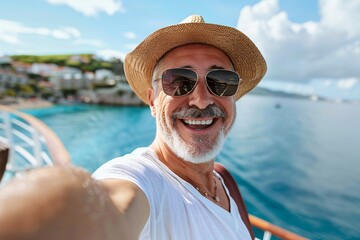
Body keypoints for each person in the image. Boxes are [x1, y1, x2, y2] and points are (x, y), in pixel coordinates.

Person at [0, 15, 266, 240]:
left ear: (233, 96)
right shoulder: (140, 179)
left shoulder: (225, 182)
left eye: (220, 81)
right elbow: (109, 206)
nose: (201, 99)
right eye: (179, 81)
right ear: (152, 100)